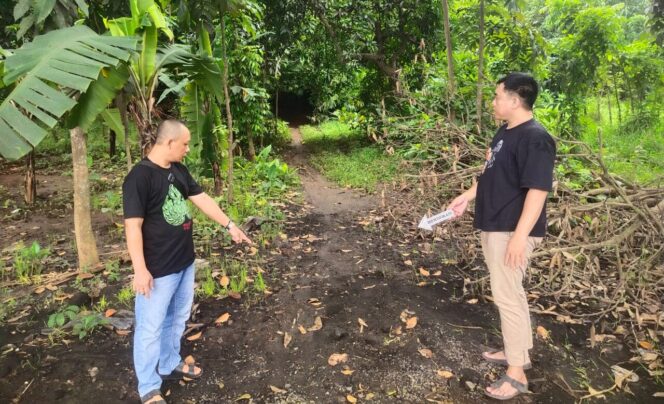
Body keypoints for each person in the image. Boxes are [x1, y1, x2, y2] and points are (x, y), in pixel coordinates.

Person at [123, 120, 252, 404]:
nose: (188, 149)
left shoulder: (178, 170)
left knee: (177, 318)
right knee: (150, 326)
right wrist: (140, 270)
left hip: (184, 262)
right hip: (157, 270)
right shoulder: (139, 177)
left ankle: (169, 362)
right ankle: (148, 387)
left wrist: (230, 225)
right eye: (185, 144)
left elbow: (202, 199)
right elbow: (132, 227)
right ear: (168, 143)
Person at [446, 73, 556, 400]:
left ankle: (517, 372)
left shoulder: (536, 138)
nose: (492, 102)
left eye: (496, 96)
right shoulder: (505, 132)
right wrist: (466, 196)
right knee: (509, 293)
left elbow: (537, 192)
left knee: (508, 296)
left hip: (511, 230)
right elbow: (492, 175)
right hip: (495, 224)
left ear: (514, 100)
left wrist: (520, 237)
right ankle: (515, 350)